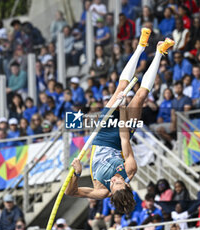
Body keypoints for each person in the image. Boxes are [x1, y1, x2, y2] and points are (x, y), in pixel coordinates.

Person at [65, 30, 173, 214]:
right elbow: (124, 140)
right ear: (127, 185)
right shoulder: (130, 170)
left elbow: (70, 192)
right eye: (119, 182)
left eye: (114, 183)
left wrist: (76, 173)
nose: (115, 180)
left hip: (102, 135)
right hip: (120, 138)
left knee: (122, 88)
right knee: (140, 96)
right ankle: (157, 51)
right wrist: (122, 109)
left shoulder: (102, 191)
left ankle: (141, 47)